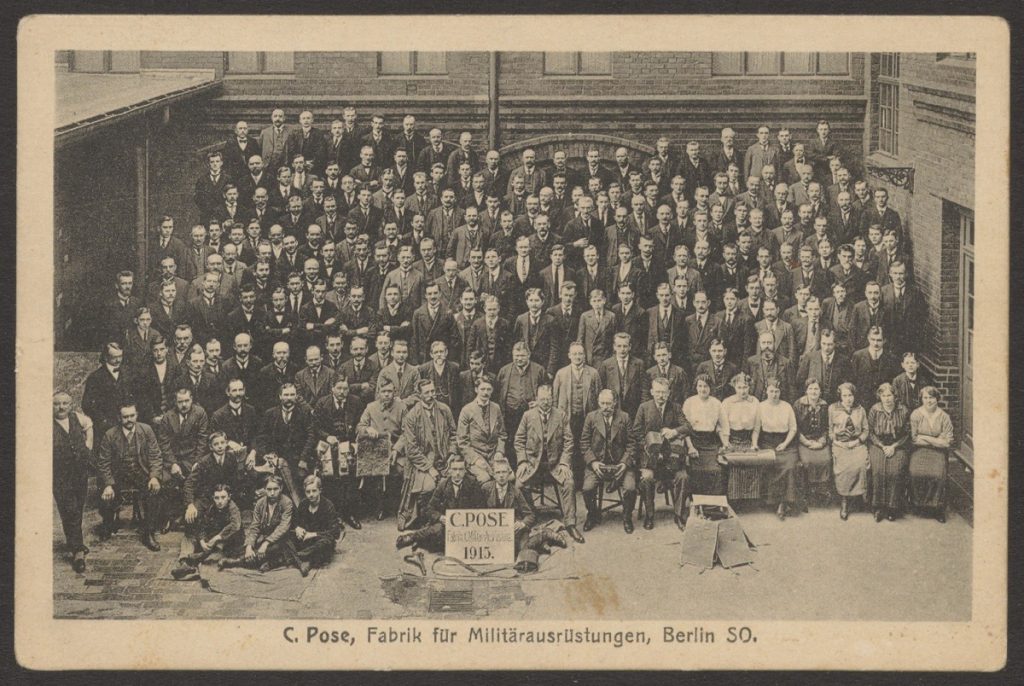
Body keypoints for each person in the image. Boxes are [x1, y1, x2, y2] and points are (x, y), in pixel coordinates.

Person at [513, 384, 585, 543]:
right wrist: (523, 461)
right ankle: (531, 515)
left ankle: (570, 524)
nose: (545, 402)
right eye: (542, 399)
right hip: (533, 465)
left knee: (569, 482)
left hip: (555, 465)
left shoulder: (561, 415)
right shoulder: (527, 416)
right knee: (518, 485)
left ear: (552, 399)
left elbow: (569, 442)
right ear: (536, 399)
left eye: (548, 399)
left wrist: (565, 463)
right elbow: (519, 441)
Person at [95, 402, 165, 551]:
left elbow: (155, 455)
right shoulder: (110, 434)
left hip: (140, 471)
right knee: (103, 489)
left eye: (132, 415)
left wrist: (154, 476)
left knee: (154, 490)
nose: (129, 420)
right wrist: (108, 484)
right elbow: (103, 462)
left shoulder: (146, 430)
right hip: (118, 473)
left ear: (137, 415)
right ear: (119, 418)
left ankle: (148, 532)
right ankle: (108, 522)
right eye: (125, 417)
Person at [632, 377, 693, 531]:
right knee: (646, 479)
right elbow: (636, 432)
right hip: (650, 458)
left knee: (683, 477)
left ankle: (679, 515)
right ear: (652, 392)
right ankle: (650, 516)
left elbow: (687, 427)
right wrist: (647, 448)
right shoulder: (644, 408)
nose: (661, 396)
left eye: (664, 393)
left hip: (672, 458)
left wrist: (674, 431)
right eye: (658, 392)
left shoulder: (676, 407)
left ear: (669, 393)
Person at [397, 378, 457, 531]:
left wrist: (451, 453)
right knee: (429, 487)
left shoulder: (444, 410)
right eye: (427, 392)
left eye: (433, 391)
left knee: (454, 482)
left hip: (445, 458)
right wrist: (429, 468)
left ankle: (449, 518)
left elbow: (454, 435)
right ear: (419, 394)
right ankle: (426, 519)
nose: (432, 395)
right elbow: (411, 449)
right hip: (421, 462)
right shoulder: (412, 416)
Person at [395, 455, 484, 552]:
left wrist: (470, 519)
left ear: (465, 470)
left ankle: (420, 540)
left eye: (461, 469)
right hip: (447, 525)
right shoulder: (443, 484)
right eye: (454, 469)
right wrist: (440, 517)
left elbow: (481, 507)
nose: (457, 473)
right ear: (449, 470)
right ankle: (412, 537)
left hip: (467, 525)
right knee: (438, 531)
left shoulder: (473, 483)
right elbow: (430, 509)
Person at [313, 375, 365, 530]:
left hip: (348, 444)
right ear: (332, 389)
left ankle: (350, 513)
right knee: (330, 476)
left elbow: (360, 423)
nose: (343, 392)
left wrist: (356, 441)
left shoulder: (355, 402)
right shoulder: (322, 403)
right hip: (329, 445)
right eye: (339, 388)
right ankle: (333, 515)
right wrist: (327, 436)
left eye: (345, 388)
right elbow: (315, 427)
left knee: (350, 476)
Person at [220, 475, 298, 573]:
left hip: (282, 539)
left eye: (275, 489)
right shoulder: (260, 503)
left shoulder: (287, 503)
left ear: (281, 488)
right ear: (265, 489)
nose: (272, 493)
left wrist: (266, 543)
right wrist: (249, 546)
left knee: (272, 549)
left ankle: (235, 562)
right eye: (269, 489)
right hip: (265, 536)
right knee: (247, 549)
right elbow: (255, 527)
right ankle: (268, 561)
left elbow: (283, 527)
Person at [356, 376, 408, 521]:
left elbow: (407, 432)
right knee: (370, 471)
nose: (386, 394)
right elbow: (359, 426)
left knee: (399, 470)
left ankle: (395, 506)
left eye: (390, 391)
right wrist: (367, 430)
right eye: (383, 391)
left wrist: (397, 449)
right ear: (378, 392)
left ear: (394, 392)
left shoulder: (402, 407)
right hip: (375, 449)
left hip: (395, 449)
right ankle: (376, 506)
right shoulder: (371, 407)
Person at [53, 392, 93, 572]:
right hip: (60, 475)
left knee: (77, 507)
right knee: (68, 508)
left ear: (70, 405)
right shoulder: (46, 423)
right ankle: (77, 552)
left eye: (65, 403)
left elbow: (89, 424)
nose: (61, 407)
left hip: (79, 472)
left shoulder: (77, 417)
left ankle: (74, 542)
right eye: (57, 404)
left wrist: (88, 444)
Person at [171, 482, 244, 581]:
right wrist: (202, 540)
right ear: (213, 498)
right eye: (216, 498)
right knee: (189, 536)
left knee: (215, 555)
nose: (220, 501)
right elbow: (203, 525)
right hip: (213, 539)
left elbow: (235, 525)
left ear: (229, 497)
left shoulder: (233, 508)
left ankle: (193, 564)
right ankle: (184, 562)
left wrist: (217, 537)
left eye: (223, 497)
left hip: (228, 542)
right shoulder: (212, 507)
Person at [909, 386, 955, 523]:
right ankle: (919, 505)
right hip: (919, 451)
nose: (928, 401)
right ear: (921, 399)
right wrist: (936, 440)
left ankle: (937, 508)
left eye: (931, 397)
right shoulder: (916, 415)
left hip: (938, 453)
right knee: (914, 472)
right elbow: (914, 439)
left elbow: (947, 443)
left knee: (938, 474)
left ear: (937, 399)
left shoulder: (944, 417)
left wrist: (925, 438)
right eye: (925, 398)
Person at [757, 377, 801, 520]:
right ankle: (772, 501)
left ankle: (784, 502)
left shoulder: (787, 406)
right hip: (767, 442)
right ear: (766, 391)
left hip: (786, 443)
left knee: (789, 466)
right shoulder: (761, 406)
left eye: (777, 391)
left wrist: (785, 443)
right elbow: (756, 429)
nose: (774, 394)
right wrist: (754, 444)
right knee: (770, 463)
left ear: (780, 392)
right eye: (771, 391)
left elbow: (793, 429)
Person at [867, 382, 911, 522]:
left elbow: (907, 434)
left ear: (895, 396)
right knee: (878, 470)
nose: (887, 398)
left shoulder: (903, 410)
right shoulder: (874, 410)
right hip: (878, 445)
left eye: (890, 395)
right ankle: (878, 507)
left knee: (895, 471)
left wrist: (894, 446)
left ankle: (893, 507)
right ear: (879, 396)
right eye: (884, 395)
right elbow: (870, 432)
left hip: (898, 445)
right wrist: (881, 445)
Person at [829, 382, 871, 520]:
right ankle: (844, 500)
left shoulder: (860, 410)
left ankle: (861, 497)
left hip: (856, 443)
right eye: (845, 395)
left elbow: (866, 430)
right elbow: (829, 430)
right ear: (840, 397)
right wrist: (836, 441)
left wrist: (857, 441)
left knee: (861, 464)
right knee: (843, 468)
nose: (848, 399)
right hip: (840, 444)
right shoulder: (832, 409)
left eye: (850, 395)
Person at [717, 372, 761, 502]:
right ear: (734, 387)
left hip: (748, 439)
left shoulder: (755, 402)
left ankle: (749, 499)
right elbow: (721, 426)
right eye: (739, 387)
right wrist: (725, 443)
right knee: (733, 463)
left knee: (752, 461)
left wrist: (754, 444)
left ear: (750, 387)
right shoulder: (727, 402)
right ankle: (734, 500)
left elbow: (757, 427)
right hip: (731, 439)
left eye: (745, 387)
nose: (743, 391)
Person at [456, 373, 507, 485]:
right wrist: (475, 459)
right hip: (475, 456)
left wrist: (499, 451)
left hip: (494, 456)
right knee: (485, 479)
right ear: (476, 389)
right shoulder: (467, 410)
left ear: (492, 390)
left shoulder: (496, 408)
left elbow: (502, 434)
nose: (485, 392)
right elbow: (462, 442)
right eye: (482, 389)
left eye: (489, 389)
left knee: (510, 477)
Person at [682, 374, 724, 496]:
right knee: (696, 471)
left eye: (706, 386)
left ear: (710, 388)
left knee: (716, 470)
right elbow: (684, 428)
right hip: (693, 442)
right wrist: (690, 447)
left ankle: (712, 506)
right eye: (700, 386)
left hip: (711, 443)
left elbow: (722, 425)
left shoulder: (716, 403)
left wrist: (724, 443)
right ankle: (697, 504)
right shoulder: (689, 402)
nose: (703, 389)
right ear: (696, 387)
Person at [291, 475, 341, 576]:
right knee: (287, 537)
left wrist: (314, 534)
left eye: (314, 491)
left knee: (326, 543)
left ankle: (296, 558)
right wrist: (297, 528)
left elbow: (335, 532)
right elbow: (295, 521)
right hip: (306, 541)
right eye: (308, 492)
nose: (311, 495)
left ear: (320, 490)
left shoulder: (328, 506)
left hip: (319, 541)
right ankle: (305, 559)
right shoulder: (303, 504)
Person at [794, 378, 832, 506]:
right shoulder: (798, 404)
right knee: (807, 462)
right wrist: (806, 442)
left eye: (816, 389)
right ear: (806, 390)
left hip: (820, 439)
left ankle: (821, 492)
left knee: (825, 460)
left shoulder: (825, 405)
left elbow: (827, 427)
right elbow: (796, 427)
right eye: (810, 388)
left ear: (820, 391)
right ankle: (807, 493)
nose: (813, 391)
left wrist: (821, 442)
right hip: (804, 439)